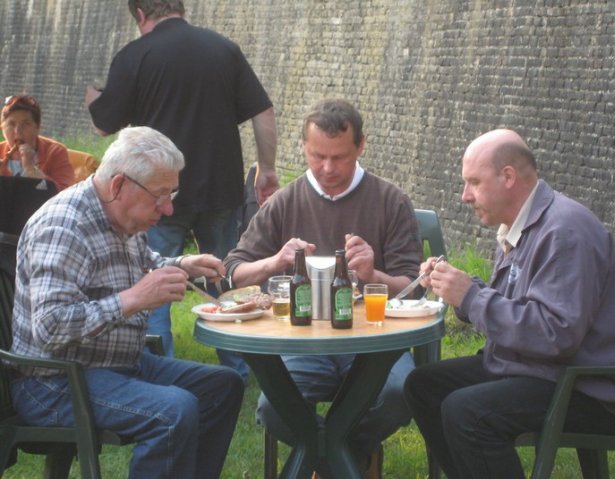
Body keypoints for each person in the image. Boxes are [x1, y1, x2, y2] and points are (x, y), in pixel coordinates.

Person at [403, 129, 615, 479]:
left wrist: (471, 295)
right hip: (542, 369)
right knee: (423, 386)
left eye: (473, 182)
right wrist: (463, 291)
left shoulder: (564, 231)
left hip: (591, 388)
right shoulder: (526, 224)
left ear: (508, 177)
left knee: (467, 412)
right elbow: (523, 307)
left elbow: (554, 334)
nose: (464, 195)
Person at [10, 126, 244, 479]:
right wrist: (134, 299)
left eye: (172, 194)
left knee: (223, 386)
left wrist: (182, 264)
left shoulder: (119, 216)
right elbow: (51, 326)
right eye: (160, 195)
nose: (167, 209)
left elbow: (140, 262)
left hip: (114, 364)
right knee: (174, 410)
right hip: (55, 382)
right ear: (119, 185)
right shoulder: (64, 226)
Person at [224, 98, 423, 477]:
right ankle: (349, 458)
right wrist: (276, 261)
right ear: (303, 147)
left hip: (374, 342)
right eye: (318, 156)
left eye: (340, 158)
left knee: (400, 395)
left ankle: (327, 456)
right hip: (302, 342)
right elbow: (232, 271)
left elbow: (413, 290)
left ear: (360, 146)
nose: (328, 169)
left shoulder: (390, 201)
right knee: (271, 409)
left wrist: (373, 275)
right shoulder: (284, 201)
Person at [84, 0, 279, 377]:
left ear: (141, 15)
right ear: (181, 8)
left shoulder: (135, 55)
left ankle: (163, 367)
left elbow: (103, 124)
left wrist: (94, 97)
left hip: (155, 195)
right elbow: (263, 111)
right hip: (221, 188)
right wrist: (267, 169)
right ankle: (240, 367)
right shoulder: (224, 49)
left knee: (154, 282)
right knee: (226, 278)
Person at [0, 94, 74, 191]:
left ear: (37, 127)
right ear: (2, 128)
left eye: (26, 124)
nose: (17, 131)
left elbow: (66, 194)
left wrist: (31, 169)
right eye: (11, 124)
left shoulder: (55, 152)